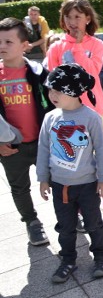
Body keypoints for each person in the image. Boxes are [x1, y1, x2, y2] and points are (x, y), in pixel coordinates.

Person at [37, 63, 103, 283]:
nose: (52, 95)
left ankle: (100, 255)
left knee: (93, 223)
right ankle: (68, 259)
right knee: (65, 227)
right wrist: (43, 179)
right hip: (60, 186)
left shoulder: (91, 118)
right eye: (50, 90)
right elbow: (43, 149)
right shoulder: (50, 118)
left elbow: (101, 150)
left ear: (73, 92)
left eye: (57, 91)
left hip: (87, 184)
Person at [45, 0, 103, 210]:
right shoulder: (56, 47)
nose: (73, 21)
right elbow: (52, 78)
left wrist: (78, 47)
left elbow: (92, 73)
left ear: (87, 18)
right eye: (68, 17)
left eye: (77, 16)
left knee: (98, 152)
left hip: (93, 108)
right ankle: (80, 197)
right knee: (73, 154)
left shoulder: (97, 44)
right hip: (66, 111)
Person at [0, 17, 52, 246]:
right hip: (11, 149)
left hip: (44, 143)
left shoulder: (39, 73)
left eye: (8, 42)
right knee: (19, 188)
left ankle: (73, 213)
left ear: (24, 45)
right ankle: (32, 222)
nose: (2, 46)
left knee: (61, 181)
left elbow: (56, 106)